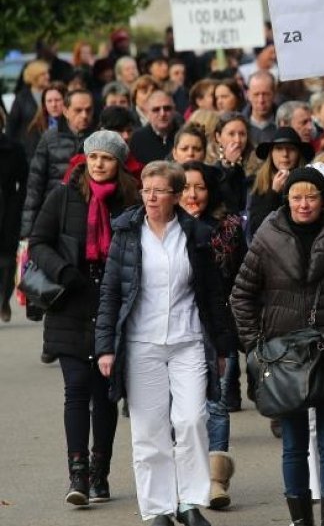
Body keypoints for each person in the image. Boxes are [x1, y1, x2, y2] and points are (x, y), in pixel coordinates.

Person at [230, 167, 324, 526]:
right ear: (287, 199)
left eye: (311, 196)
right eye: (296, 196)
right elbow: (241, 295)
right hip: (282, 355)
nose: (303, 203)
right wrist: (255, 347)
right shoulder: (268, 235)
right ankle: (300, 521)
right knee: (294, 444)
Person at [95, 161, 237, 526]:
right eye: (147, 189)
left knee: (191, 419)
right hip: (141, 342)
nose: (152, 197)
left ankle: (190, 502)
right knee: (149, 430)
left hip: (188, 339)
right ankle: (158, 509)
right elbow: (111, 292)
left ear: (176, 196)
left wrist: (222, 347)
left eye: (160, 191)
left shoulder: (195, 234)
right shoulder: (127, 233)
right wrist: (106, 346)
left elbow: (212, 294)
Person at [30, 131, 139, 504]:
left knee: (103, 392)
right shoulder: (63, 196)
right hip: (70, 302)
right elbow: (38, 242)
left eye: (106, 158)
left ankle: (100, 472)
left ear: (118, 163)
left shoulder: (131, 200)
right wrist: (62, 271)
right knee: (76, 387)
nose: (98, 163)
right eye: (92, 157)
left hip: (111, 304)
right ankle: (77, 476)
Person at [180, 161, 247, 510]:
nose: (192, 194)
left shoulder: (229, 227)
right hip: (178, 328)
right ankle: (186, 473)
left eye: (200, 187)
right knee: (184, 410)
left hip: (219, 324)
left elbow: (241, 276)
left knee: (217, 403)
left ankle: (215, 478)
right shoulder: (166, 226)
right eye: (186, 187)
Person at [21, 90, 94, 238]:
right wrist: (27, 230)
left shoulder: (98, 138)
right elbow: (35, 185)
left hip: (87, 216)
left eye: (88, 110)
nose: (84, 115)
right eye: (78, 110)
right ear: (66, 111)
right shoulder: (49, 138)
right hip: (53, 213)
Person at [248, 127, 314, 238]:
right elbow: (256, 227)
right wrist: (273, 193)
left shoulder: (309, 180)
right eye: (279, 149)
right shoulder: (258, 182)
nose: (285, 154)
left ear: (298, 153)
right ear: (271, 153)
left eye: (291, 149)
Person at [0, 133, 28, 323]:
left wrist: (17, 204)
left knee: (7, 262)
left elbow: (25, 180)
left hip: (8, 208)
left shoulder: (14, 148)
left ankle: (3, 299)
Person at [210, 112, 253, 215]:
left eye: (242, 134)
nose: (237, 140)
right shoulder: (211, 169)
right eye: (231, 134)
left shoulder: (256, 166)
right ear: (218, 137)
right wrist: (229, 165)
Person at [5, 59, 50, 145]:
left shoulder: (52, 94)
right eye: (43, 74)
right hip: (28, 148)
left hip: (50, 147)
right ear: (34, 76)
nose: (48, 77)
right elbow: (11, 125)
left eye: (47, 73)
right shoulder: (21, 98)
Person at [131, 90, 181, 164]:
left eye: (167, 108)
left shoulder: (183, 136)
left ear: (174, 110)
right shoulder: (136, 138)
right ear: (147, 113)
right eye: (156, 110)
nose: (162, 114)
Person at [24, 84, 67, 162]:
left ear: (66, 100)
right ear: (44, 104)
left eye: (57, 100)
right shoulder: (36, 128)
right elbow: (32, 158)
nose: (53, 105)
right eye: (49, 101)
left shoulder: (75, 125)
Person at [245, 71, 278, 145]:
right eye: (256, 94)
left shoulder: (285, 124)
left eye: (266, 94)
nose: (261, 100)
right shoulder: (239, 126)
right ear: (248, 95)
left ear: (274, 94)